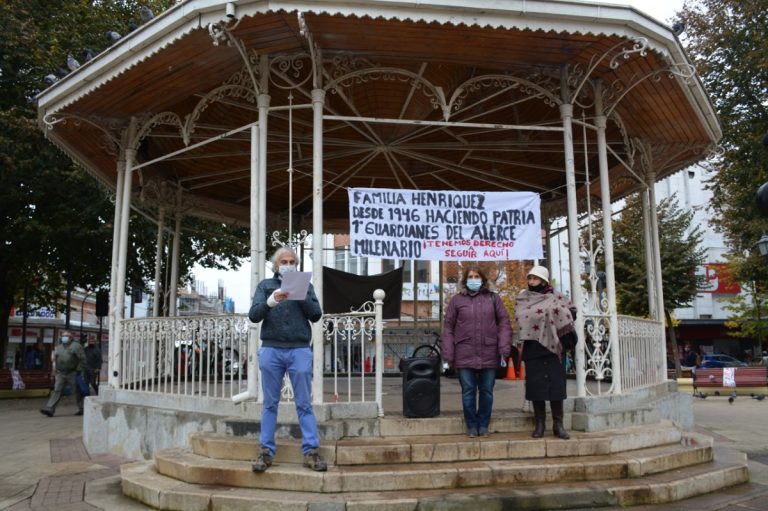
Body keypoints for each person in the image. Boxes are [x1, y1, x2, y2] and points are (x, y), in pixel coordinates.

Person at [248, 247, 326, 472]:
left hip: (299, 349)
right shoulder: (265, 285)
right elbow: (254, 315)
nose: (288, 265)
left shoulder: (305, 285)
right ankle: (266, 451)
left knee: (304, 403)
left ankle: (311, 451)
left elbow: (316, 314)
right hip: (271, 349)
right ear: (276, 265)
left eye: (292, 261)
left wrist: (299, 294)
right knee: (270, 403)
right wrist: (271, 301)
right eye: (284, 261)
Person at [442, 266, 512, 438]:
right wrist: (449, 353)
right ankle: (472, 425)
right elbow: (448, 327)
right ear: (465, 280)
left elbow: (504, 323)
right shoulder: (457, 300)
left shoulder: (494, 298)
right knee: (468, 392)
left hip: (489, 352)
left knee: (487, 391)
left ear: (483, 279)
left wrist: (504, 347)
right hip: (464, 352)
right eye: (470, 277)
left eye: (476, 276)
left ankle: (483, 425)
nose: (473, 279)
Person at [515, 265, 576, 440]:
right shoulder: (524, 298)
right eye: (530, 278)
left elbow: (572, 313)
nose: (531, 281)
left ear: (543, 280)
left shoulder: (557, 296)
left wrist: (558, 313)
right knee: (536, 389)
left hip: (554, 349)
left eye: (535, 278)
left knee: (557, 387)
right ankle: (539, 424)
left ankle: (558, 425)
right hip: (534, 348)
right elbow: (520, 317)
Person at [40, 332, 86, 417]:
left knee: (76, 390)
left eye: (66, 336)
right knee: (57, 390)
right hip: (60, 372)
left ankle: (82, 408)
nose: (64, 337)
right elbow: (55, 359)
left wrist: (78, 369)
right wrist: (54, 370)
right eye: (63, 336)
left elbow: (82, 359)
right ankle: (50, 409)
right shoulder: (59, 347)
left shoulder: (76, 346)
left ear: (71, 337)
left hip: (72, 372)